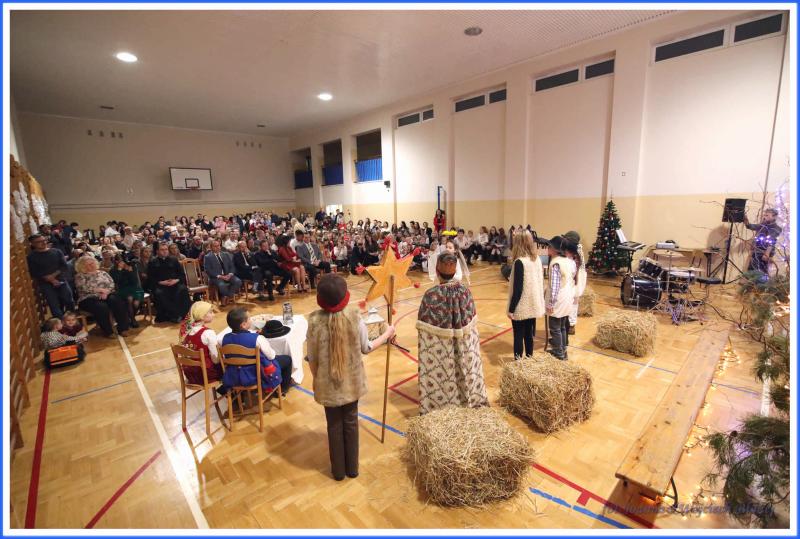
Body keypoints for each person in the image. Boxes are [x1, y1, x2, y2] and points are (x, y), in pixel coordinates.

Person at [307, 274, 395, 481]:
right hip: (352, 382)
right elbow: (367, 347)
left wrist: (316, 378)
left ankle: (338, 472)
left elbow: (312, 358)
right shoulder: (355, 317)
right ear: (344, 297)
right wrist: (387, 334)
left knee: (333, 426)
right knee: (351, 422)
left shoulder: (314, 322)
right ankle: (352, 469)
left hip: (327, 384)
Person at [416, 253, 488, 414]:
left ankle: (442, 404)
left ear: (437, 271)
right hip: (464, 349)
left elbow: (425, 335)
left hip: (442, 355)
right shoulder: (465, 292)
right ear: (455, 272)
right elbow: (472, 331)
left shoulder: (431, 295)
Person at [220, 307, 292, 396]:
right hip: (255, 375)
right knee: (287, 359)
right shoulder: (257, 338)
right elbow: (271, 356)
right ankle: (282, 389)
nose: (251, 320)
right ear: (243, 325)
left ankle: (240, 396)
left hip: (233, 376)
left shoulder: (225, 338)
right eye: (249, 319)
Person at [507, 230, 545, 359]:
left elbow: (518, 289)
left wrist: (511, 309)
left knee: (518, 335)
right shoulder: (537, 259)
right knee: (529, 334)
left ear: (518, 243)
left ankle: (518, 362)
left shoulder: (520, 262)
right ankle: (529, 358)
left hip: (521, 306)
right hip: (533, 304)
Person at [74, 255, 131, 337]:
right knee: (102, 307)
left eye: (92, 263)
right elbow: (83, 287)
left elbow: (111, 283)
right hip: (88, 297)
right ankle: (108, 331)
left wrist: (106, 292)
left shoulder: (103, 273)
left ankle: (123, 329)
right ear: (82, 266)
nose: (92, 265)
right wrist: (99, 290)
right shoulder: (80, 275)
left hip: (106, 294)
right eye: (88, 264)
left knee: (117, 301)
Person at [27, 234, 75, 318]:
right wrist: (50, 279)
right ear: (32, 244)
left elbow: (64, 266)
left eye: (44, 240)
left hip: (61, 280)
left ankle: (71, 320)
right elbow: (34, 272)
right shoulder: (31, 256)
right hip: (45, 283)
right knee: (54, 305)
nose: (43, 242)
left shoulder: (56, 251)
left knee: (68, 300)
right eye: (39, 242)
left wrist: (53, 276)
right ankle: (59, 323)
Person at [545, 236, 576, 360]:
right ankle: (563, 350)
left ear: (555, 249)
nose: (548, 248)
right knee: (562, 326)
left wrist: (551, 304)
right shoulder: (567, 261)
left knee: (555, 328)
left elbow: (555, 286)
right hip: (567, 297)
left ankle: (559, 353)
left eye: (549, 246)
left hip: (559, 299)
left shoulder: (556, 263)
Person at [178, 301, 223, 385]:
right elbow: (215, 360)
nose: (213, 315)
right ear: (202, 316)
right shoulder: (208, 333)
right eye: (211, 312)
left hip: (191, 375)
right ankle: (229, 391)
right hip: (205, 375)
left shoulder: (186, 330)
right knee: (229, 365)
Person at [147, 242, 191, 323]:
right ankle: (174, 315)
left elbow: (181, 274)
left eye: (166, 249)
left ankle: (182, 314)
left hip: (175, 284)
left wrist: (176, 280)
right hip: (161, 285)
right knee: (159, 293)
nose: (165, 251)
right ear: (157, 251)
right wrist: (161, 282)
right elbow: (150, 278)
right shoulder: (152, 262)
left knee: (183, 289)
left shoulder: (174, 259)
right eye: (162, 250)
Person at [109, 254, 144, 328]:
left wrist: (130, 271)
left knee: (136, 303)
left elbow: (135, 281)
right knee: (129, 298)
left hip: (135, 288)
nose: (121, 262)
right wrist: (119, 270)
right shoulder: (113, 270)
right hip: (122, 289)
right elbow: (117, 281)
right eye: (118, 261)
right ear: (115, 261)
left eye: (122, 260)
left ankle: (129, 316)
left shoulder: (131, 266)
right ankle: (133, 319)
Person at [744, 208, 782, 275]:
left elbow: (771, 241)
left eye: (767, 215)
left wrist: (767, 253)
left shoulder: (776, 228)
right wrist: (746, 221)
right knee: (751, 271)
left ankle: (759, 281)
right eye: (764, 215)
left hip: (764, 253)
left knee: (761, 273)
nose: (764, 217)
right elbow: (751, 226)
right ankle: (751, 281)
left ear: (774, 217)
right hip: (757, 251)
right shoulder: (763, 225)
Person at [563, 231, 587, 336]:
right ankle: (570, 324)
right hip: (577, 277)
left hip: (577, 278)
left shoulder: (576, 250)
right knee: (573, 301)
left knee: (573, 301)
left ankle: (571, 324)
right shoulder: (577, 249)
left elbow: (574, 267)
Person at [204, 240, 242, 306]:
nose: (217, 247)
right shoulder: (208, 257)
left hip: (227, 275)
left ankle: (226, 297)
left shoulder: (225, 254)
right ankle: (227, 297)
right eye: (215, 246)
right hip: (216, 277)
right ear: (211, 247)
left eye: (218, 246)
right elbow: (208, 270)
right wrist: (221, 276)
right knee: (222, 285)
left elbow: (232, 266)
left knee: (238, 281)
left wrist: (230, 274)